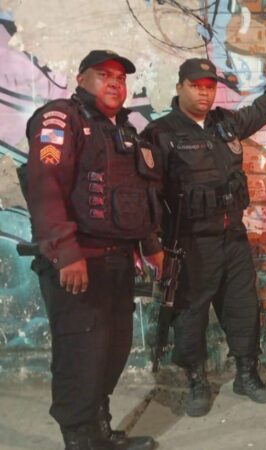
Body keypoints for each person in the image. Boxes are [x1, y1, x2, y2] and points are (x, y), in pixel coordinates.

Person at [142, 58, 266, 417]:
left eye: (209, 86)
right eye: (196, 85)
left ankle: (246, 375)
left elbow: (262, 109)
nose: (204, 92)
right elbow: (147, 194)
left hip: (233, 236)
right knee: (191, 315)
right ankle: (196, 381)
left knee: (242, 308)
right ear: (180, 87)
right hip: (190, 242)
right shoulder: (160, 133)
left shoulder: (226, 124)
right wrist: (152, 245)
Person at [24, 50, 163, 450]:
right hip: (78, 263)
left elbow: (138, 196)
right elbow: (45, 186)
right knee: (81, 355)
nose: (115, 83)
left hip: (116, 263)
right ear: (82, 78)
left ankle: (99, 430)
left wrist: (151, 247)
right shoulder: (61, 118)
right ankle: (81, 439)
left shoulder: (125, 132)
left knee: (112, 351)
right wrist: (66, 252)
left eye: (120, 77)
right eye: (104, 75)